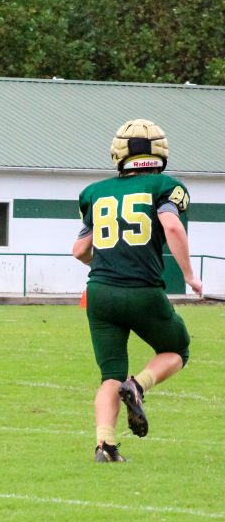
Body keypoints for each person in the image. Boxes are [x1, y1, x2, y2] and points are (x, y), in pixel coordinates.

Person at [72, 119, 202, 463]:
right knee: (177, 350)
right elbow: (171, 223)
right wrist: (189, 275)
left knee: (109, 375)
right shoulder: (165, 186)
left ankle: (105, 446)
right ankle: (139, 386)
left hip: (100, 293)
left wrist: (108, 268)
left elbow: (79, 251)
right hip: (142, 291)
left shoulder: (96, 192)